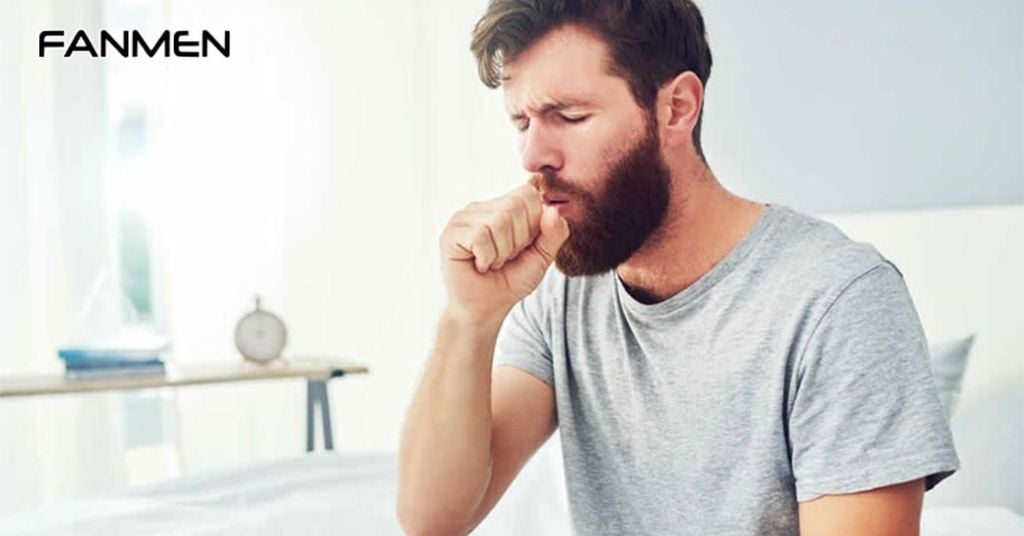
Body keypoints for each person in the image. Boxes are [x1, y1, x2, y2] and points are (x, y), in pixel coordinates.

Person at [397, 1, 959, 534]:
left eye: (568, 116)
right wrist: (468, 318)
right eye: (522, 122)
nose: (532, 157)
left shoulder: (838, 301)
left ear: (677, 108)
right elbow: (432, 519)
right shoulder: (562, 297)